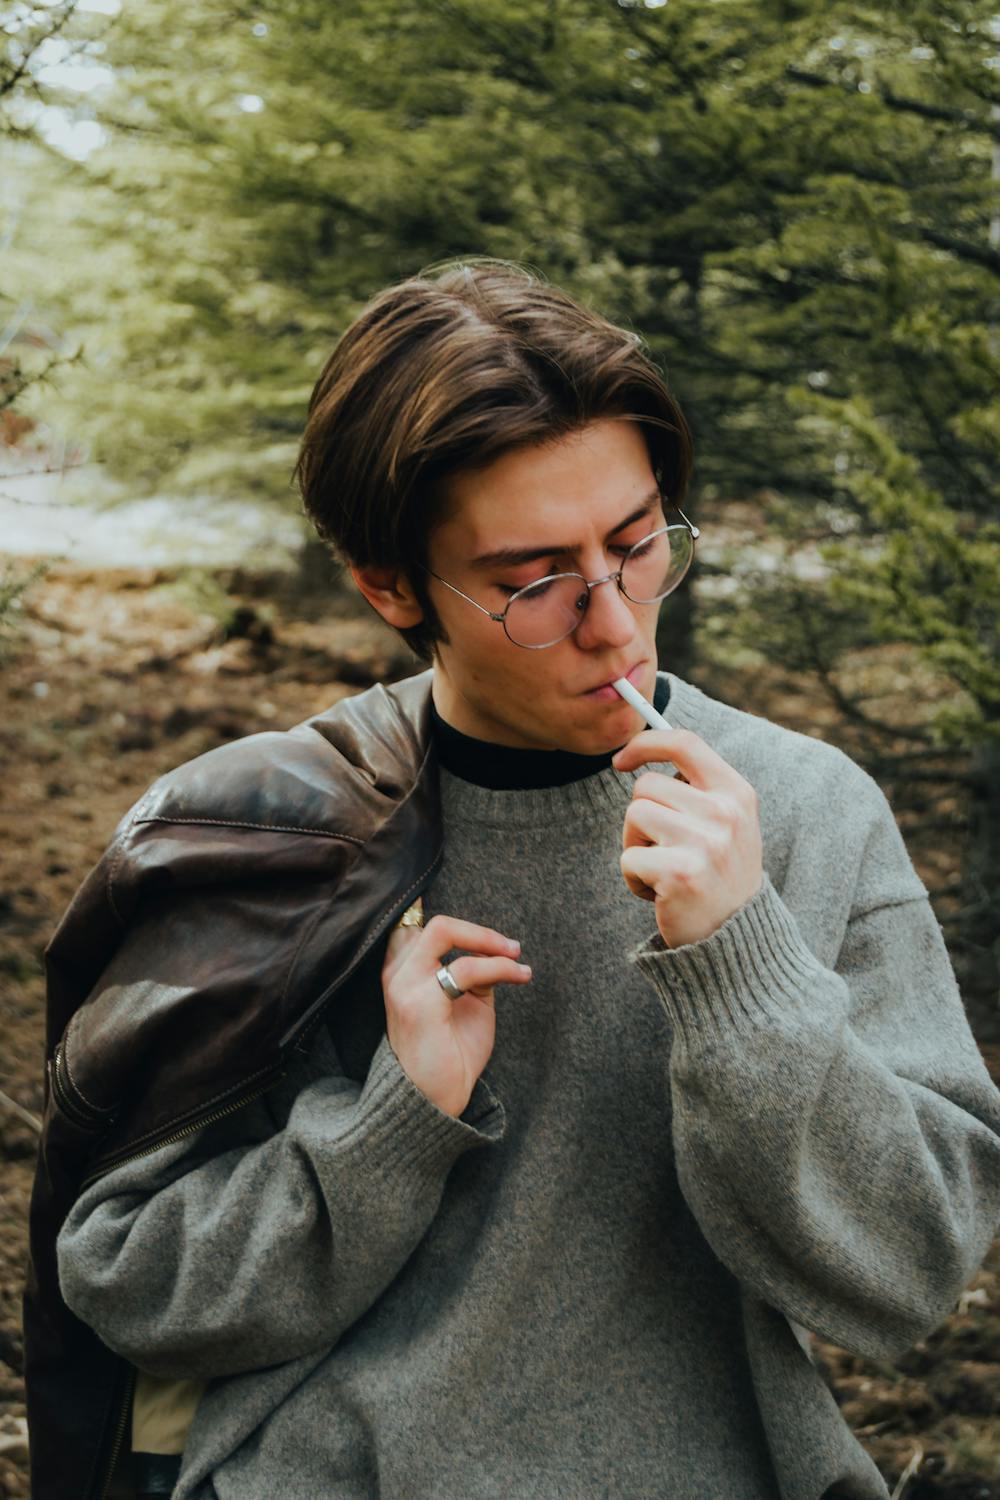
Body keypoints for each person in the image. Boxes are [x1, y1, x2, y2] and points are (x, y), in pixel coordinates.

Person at [28, 260, 1000, 1500]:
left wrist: (744, 966)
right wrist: (393, 1123)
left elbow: (908, 1277)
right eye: (531, 581)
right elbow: (131, 1283)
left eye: (638, 544)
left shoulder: (804, 812)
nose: (613, 624)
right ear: (388, 587)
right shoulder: (276, 834)